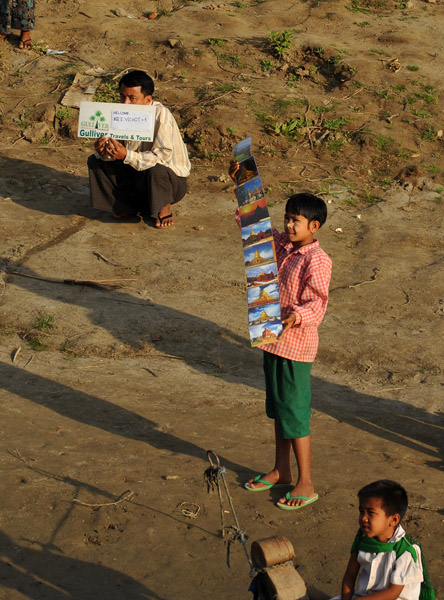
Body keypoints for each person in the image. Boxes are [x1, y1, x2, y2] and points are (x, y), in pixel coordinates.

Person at [230, 162, 332, 511]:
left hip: (296, 347)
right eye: (287, 218)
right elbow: (254, 226)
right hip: (272, 339)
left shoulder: (317, 260)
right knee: (277, 410)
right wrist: (243, 186)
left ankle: (306, 481)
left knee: (294, 413)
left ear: (313, 227)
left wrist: (296, 316)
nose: (288, 225)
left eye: (295, 221)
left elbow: (317, 304)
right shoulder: (282, 246)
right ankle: (281, 470)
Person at [88, 70, 191, 228]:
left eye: (132, 98)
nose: (125, 103)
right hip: (137, 176)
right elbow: (117, 153)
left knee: (156, 169)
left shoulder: (161, 115)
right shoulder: (120, 114)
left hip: (169, 184)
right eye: (123, 96)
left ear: (147, 99)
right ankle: (127, 206)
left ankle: (163, 206)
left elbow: (162, 156)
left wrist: (127, 155)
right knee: (95, 160)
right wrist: (105, 151)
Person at [334, 480, 430, 600]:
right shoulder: (362, 539)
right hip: (365, 596)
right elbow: (350, 576)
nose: (364, 518)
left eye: (371, 513)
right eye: (361, 511)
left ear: (394, 520)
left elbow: (393, 592)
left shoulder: (405, 551)